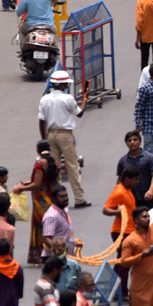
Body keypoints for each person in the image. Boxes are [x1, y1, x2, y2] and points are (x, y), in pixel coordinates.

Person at [38, 71, 88, 208]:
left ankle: (55, 199)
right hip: (65, 135)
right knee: (72, 166)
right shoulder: (67, 98)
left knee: (54, 169)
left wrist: (44, 139)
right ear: (62, 84)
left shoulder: (45, 99)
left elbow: (41, 121)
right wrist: (84, 100)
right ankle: (79, 198)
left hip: (51, 134)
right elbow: (79, 113)